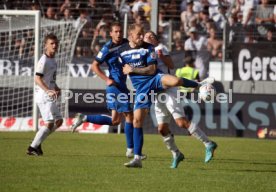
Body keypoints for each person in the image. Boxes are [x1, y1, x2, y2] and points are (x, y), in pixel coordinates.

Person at [120, 24, 215, 168]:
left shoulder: (155, 49)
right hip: (146, 90)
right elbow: (117, 65)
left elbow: (153, 70)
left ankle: (199, 86)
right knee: (157, 127)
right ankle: (171, 154)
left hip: (160, 82)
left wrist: (133, 68)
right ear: (131, 36)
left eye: (146, 35)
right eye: (142, 35)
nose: (144, 37)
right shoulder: (123, 51)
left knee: (180, 116)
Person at [70, 22, 145, 159]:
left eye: (120, 31)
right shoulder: (107, 48)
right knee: (130, 116)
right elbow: (94, 66)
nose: (118, 33)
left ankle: (84, 117)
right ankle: (130, 150)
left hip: (121, 86)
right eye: (115, 31)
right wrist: (106, 79)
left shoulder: (127, 43)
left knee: (116, 121)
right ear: (110, 33)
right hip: (115, 86)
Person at [144, 31, 217, 168]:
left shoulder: (160, 48)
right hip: (157, 92)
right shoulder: (143, 52)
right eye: (146, 36)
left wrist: (161, 57)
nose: (149, 38)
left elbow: (171, 65)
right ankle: (176, 154)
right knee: (162, 128)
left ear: (156, 40)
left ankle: (208, 143)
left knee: (181, 123)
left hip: (169, 89)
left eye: (151, 36)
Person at [27, 34, 62, 156]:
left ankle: (37, 141)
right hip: (43, 95)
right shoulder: (44, 60)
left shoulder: (53, 59)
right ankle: (32, 148)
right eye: (51, 43)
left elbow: (49, 78)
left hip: (49, 94)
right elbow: (37, 79)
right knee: (49, 123)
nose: (54, 45)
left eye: (56, 43)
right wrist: (48, 90)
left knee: (59, 122)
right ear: (46, 45)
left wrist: (56, 87)